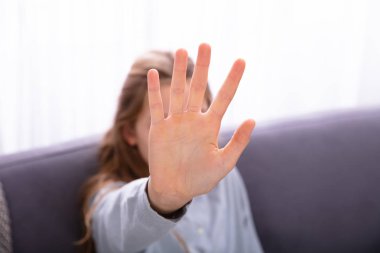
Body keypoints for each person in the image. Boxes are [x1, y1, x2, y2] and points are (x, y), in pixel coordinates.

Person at [78, 44, 263, 253]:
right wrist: (162, 198)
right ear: (130, 132)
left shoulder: (224, 177)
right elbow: (116, 230)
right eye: (165, 122)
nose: (185, 140)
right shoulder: (108, 199)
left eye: (195, 119)